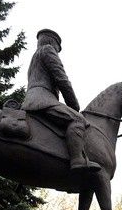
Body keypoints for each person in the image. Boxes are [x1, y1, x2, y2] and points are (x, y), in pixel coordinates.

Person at [22, 29, 101, 172]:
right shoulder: (48, 50)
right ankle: (77, 160)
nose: (57, 51)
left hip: (32, 99)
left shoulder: (34, 58)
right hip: (43, 99)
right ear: (54, 43)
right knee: (78, 120)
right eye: (58, 48)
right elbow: (62, 79)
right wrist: (74, 106)